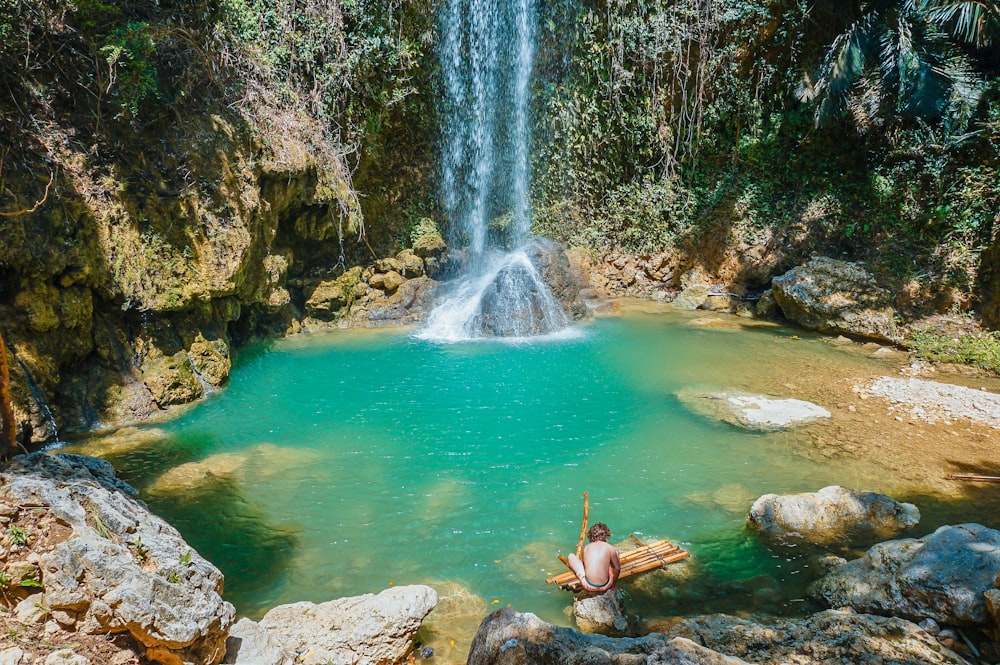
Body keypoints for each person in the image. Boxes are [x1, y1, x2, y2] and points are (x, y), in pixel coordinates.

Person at [567, 522, 620, 593]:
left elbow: (585, 567)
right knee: (615, 555)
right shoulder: (610, 548)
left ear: (591, 536)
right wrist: (613, 584)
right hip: (605, 585)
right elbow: (617, 568)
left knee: (570, 556)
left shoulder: (587, 548)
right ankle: (609, 583)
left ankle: (581, 578)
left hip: (588, 585)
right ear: (606, 536)